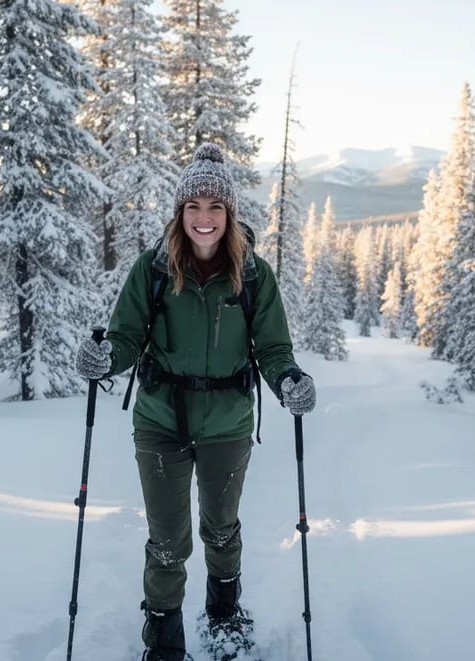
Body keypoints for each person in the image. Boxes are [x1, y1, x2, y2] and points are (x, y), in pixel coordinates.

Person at [75, 142, 316, 661]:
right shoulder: (154, 269)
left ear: (229, 214)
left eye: (215, 207)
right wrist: (104, 359)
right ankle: (164, 642)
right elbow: (125, 338)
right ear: (179, 213)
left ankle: (224, 615)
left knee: (221, 528)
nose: (203, 218)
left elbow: (273, 348)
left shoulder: (253, 275)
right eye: (193, 207)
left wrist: (289, 378)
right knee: (167, 540)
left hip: (228, 423)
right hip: (160, 419)